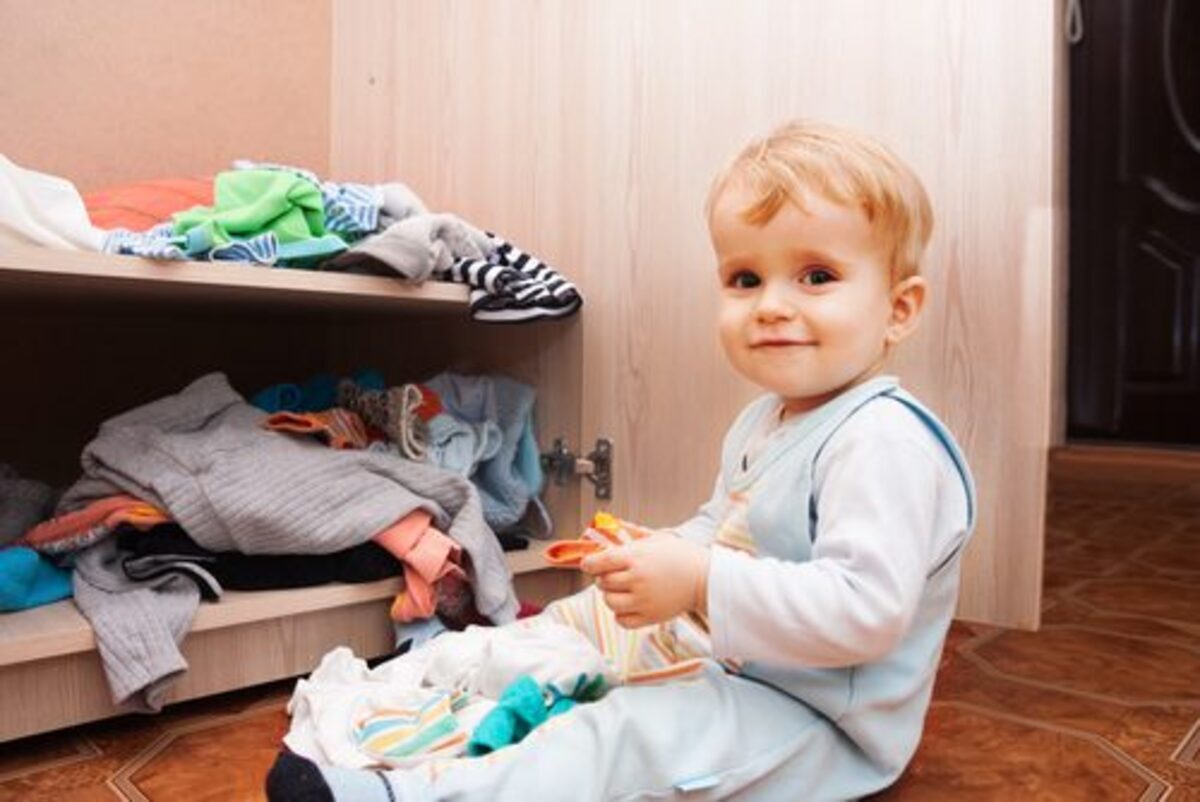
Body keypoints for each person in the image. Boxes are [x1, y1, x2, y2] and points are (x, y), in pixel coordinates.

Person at [266, 119, 975, 802]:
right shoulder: (766, 420)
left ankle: (421, 793)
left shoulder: (883, 442)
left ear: (900, 309)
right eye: (745, 279)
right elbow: (725, 528)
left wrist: (698, 580)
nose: (771, 306)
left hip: (815, 720)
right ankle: (413, 688)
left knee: (626, 733)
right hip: (740, 661)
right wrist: (657, 554)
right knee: (574, 624)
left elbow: (866, 611)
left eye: (817, 276)